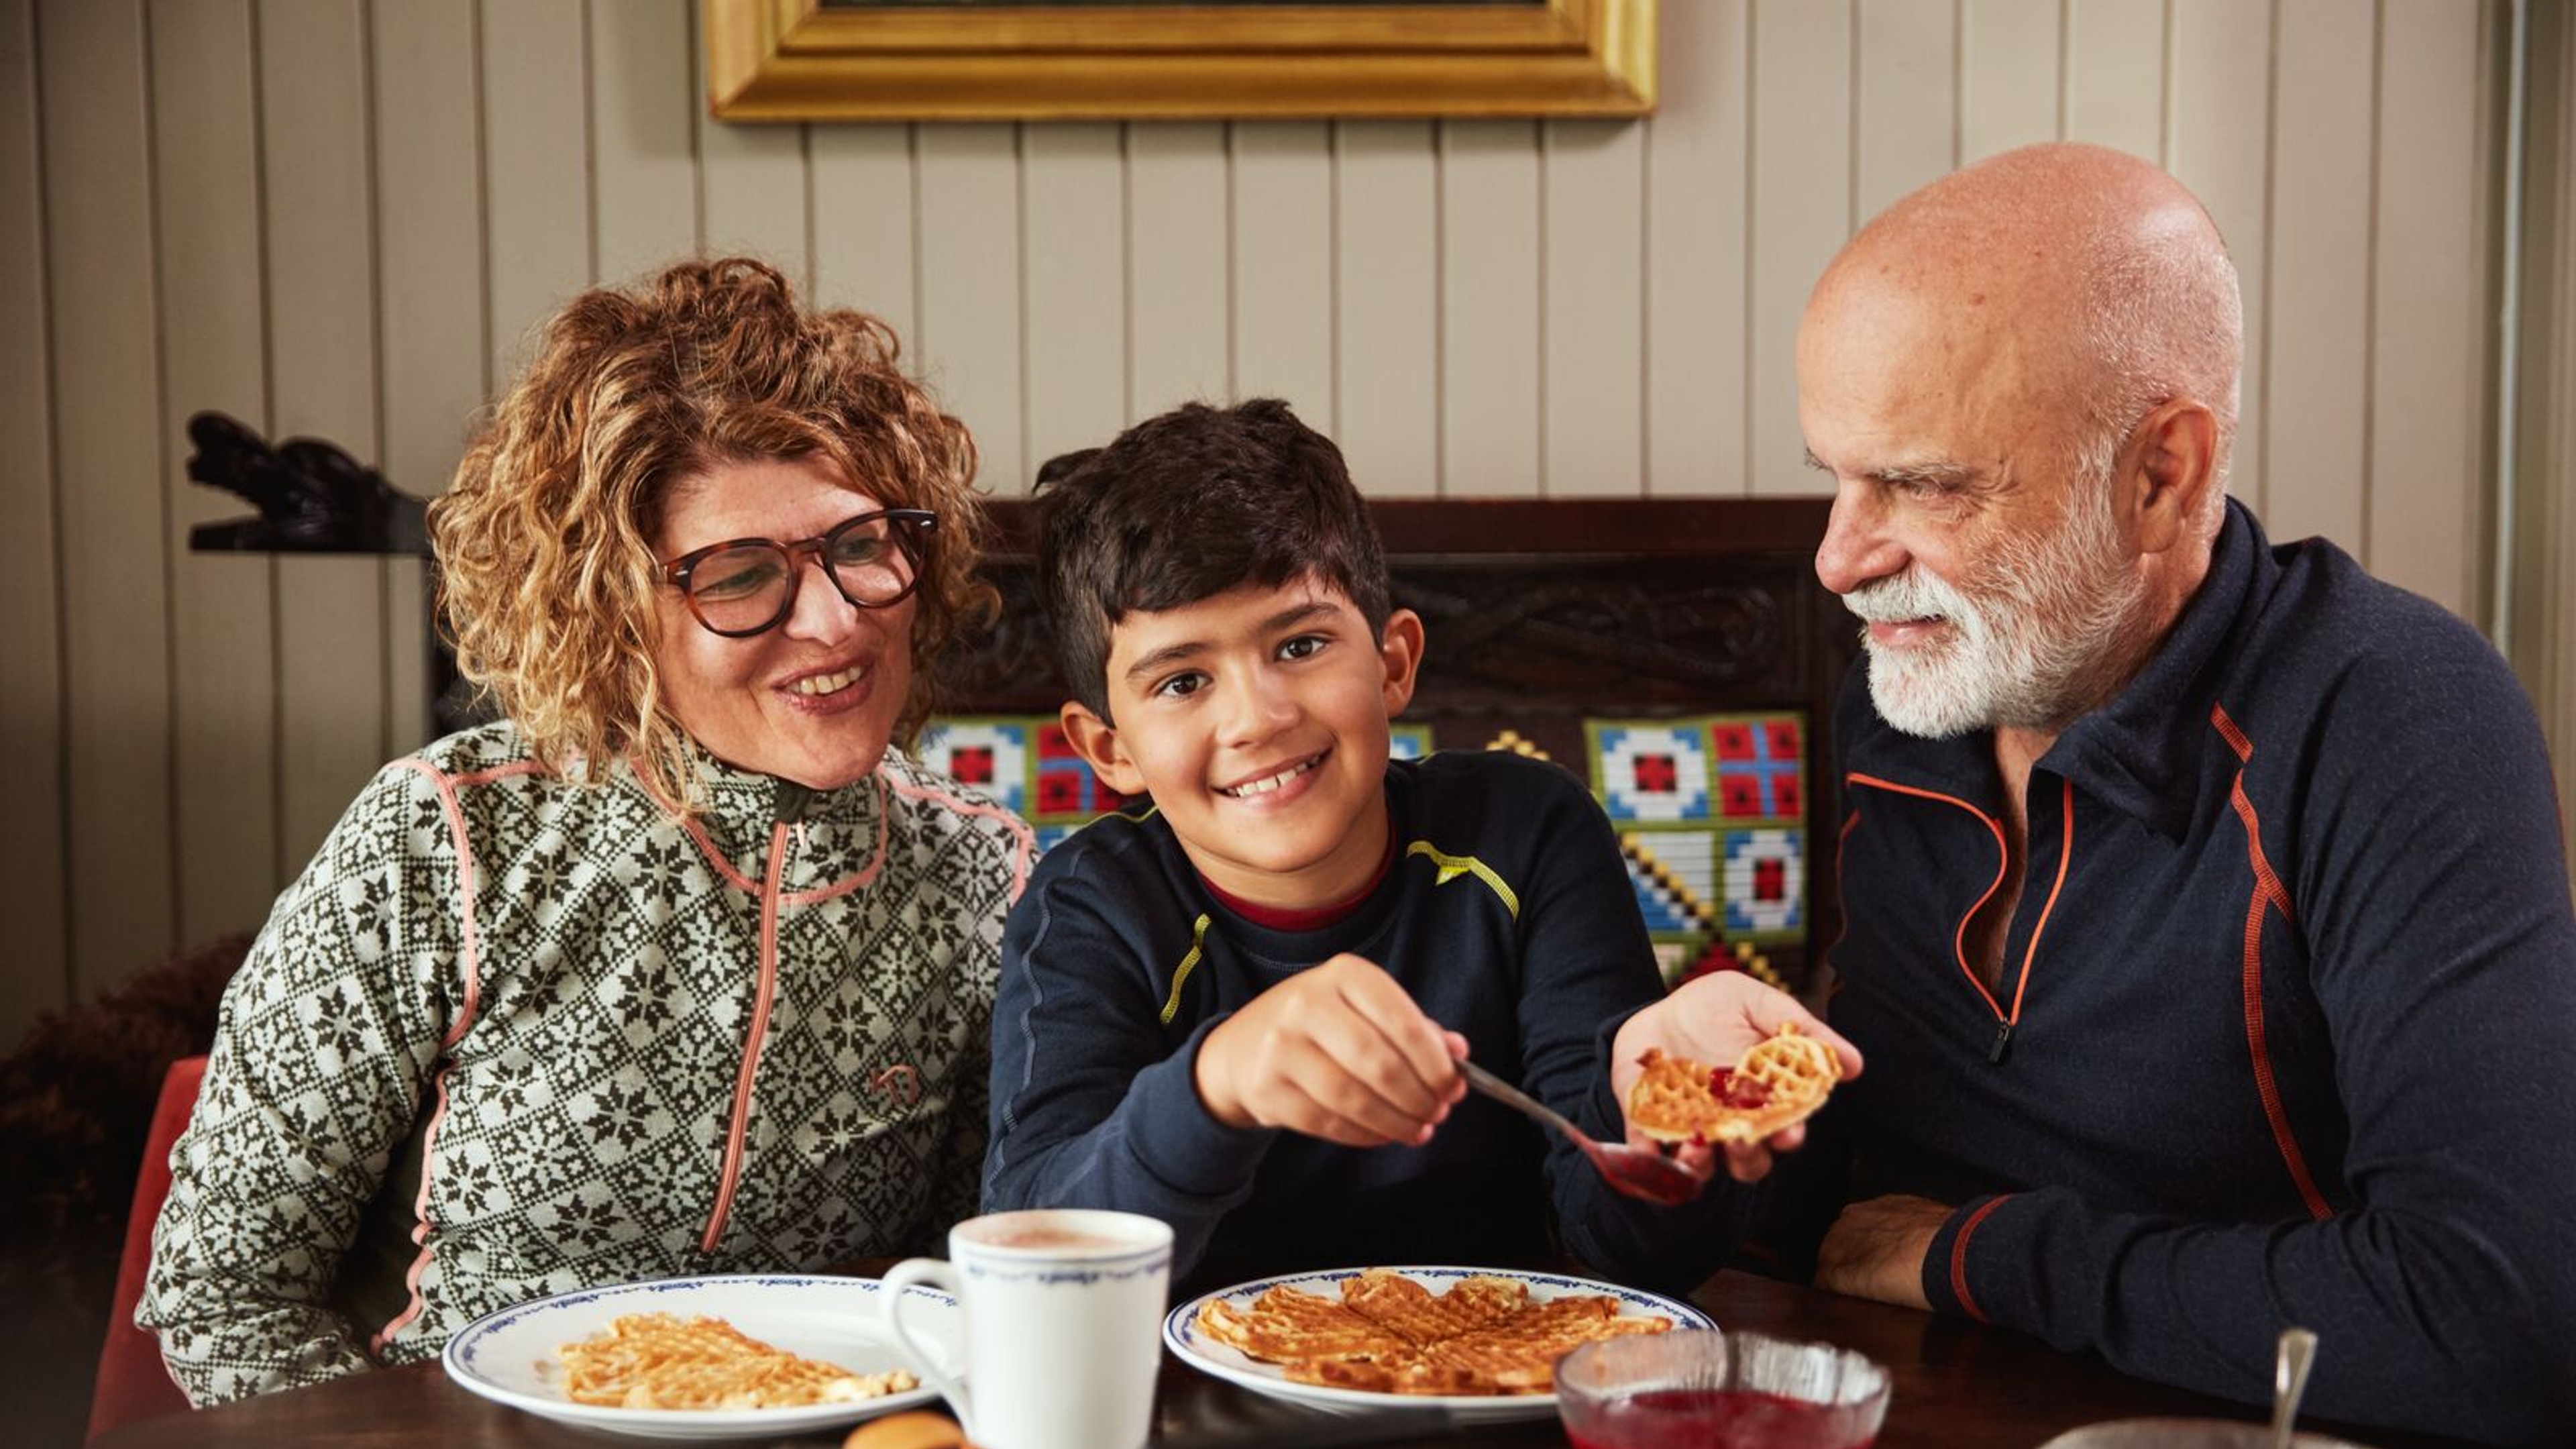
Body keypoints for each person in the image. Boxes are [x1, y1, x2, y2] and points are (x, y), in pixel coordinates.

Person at [1689, 141, 2575, 1445]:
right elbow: (1852, 1187)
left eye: (1925, 484)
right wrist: (1688, 1085)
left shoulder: (2396, 715)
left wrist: (1975, 1259)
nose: (1837, 558)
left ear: (2161, 474)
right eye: (1835, 471)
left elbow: (2499, 1328)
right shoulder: (1912, 667)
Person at [139, 258, 1034, 1404]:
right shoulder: (446, 841)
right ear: (610, 609)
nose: (831, 621)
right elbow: (225, 1291)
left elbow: (977, 1280)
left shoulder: (981, 873)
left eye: (861, 546)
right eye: (740, 575)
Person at [980, 398, 1858, 1292]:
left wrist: (1664, 1130)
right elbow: (1026, 1253)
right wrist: (1212, 1088)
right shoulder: (1088, 908)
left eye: (1302, 644)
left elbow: (1629, 1252)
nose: (1257, 717)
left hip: (1499, 1385)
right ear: (1108, 748)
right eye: (1182, 680)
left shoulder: (1527, 835)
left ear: (1394, 662)